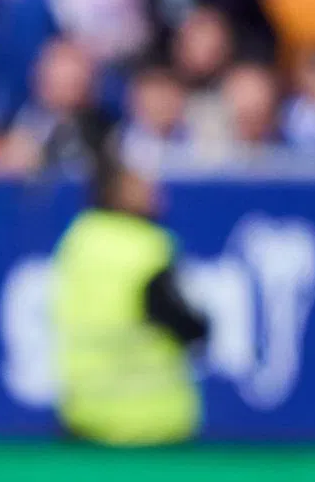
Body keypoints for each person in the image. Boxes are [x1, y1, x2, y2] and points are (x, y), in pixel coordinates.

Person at [51, 146, 209, 445]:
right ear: (116, 192)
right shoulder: (146, 248)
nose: (155, 192)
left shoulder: (78, 239)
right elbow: (187, 325)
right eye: (142, 185)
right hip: (149, 422)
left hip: (84, 417)